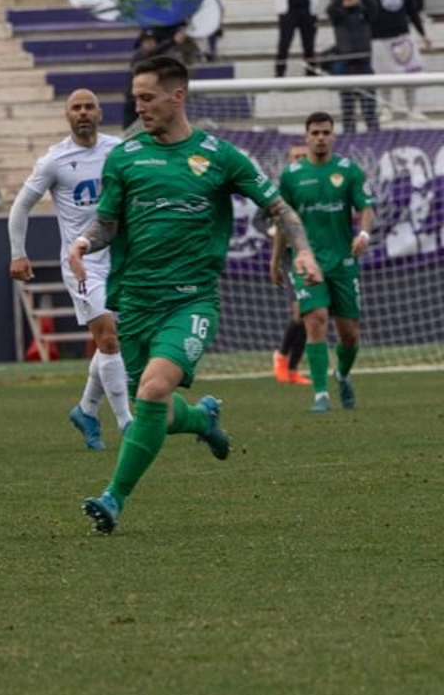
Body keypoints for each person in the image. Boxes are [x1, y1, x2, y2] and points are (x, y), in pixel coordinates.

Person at [67, 55, 320, 534]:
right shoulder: (124, 156)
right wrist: (83, 241)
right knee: (154, 411)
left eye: (147, 97)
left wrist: (302, 252)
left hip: (191, 300)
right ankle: (202, 420)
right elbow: (107, 223)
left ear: (176, 95)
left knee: (153, 389)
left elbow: (278, 207)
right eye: (135, 98)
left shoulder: (220, 156)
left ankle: (113, 499)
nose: (138, 107)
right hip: (136, 302)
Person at [8, 90, 129, 451]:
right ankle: (128, 424)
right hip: (81, 263)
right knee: (108, 337)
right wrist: (18, 254)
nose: (83, 113)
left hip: (119, 258)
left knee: (112, 341)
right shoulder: (55, 160)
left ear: (99, 112)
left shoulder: (118, 150)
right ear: (67, 116)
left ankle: (87, 409)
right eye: (76, 108)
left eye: (89, 106)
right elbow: (20, 207)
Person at [272, 113, 374, 414]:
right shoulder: (291, 175)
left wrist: (364, 233)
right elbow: (282, 220)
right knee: (315, 319)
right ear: (306, 136)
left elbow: (366, 207)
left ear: (333, 136)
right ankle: (320, 395)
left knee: (349, 335)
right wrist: (276, 259)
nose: (320, 137)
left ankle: (341, 374)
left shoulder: (348, 171)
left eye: (325, 132)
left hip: (343, 263)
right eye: (315, 132)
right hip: (306, 262)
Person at [268, 146, 313, 388]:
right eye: (295, 156)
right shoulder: (280, 189)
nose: (300, 160)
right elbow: (261, 218)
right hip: (288, 255)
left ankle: (293, 368)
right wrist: (270, 230)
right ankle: (281, 357)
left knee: (310, 314)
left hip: (310, 253)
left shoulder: (312, 186)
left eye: (303, 157)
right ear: (288, 160)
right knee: (300, 311)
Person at [365, 0, 429, 115]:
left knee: (410, 76)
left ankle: (412, 108)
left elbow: (413, 12)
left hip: (402, 38)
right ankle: (386, 108)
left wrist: (423, 34)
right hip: (379, 40)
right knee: (383, 78)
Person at [328, 0, 381, 134]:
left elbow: (374, 6)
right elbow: (331, 9)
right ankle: (349, 137)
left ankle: (374, 137)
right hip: (346, 66)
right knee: (348, 110)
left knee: (369, 108)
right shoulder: (338, 17)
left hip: (365, 65)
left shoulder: (364, 14)